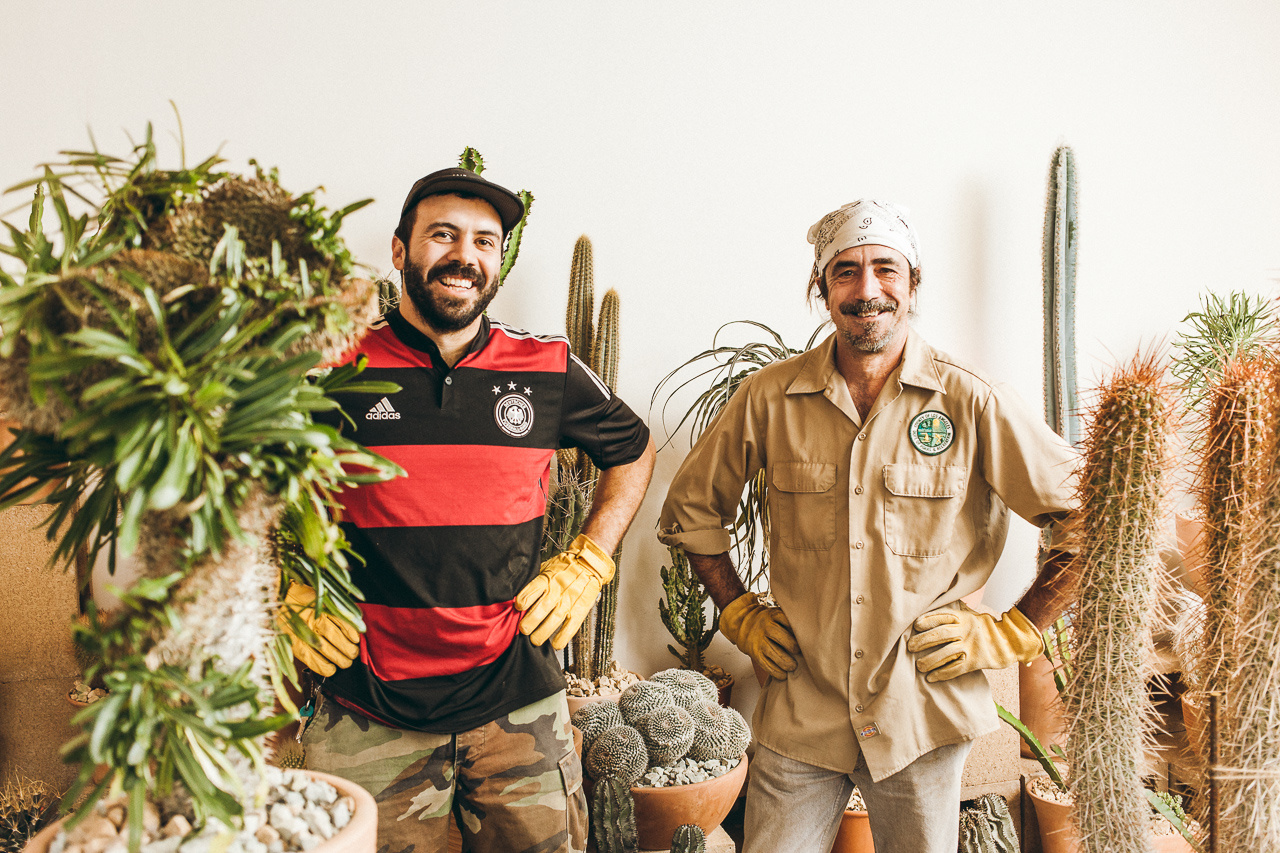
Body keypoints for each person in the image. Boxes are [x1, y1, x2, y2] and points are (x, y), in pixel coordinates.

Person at [657, 199, 1077, 853]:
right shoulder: (768, 398)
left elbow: (1088, 515)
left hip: (920, 711)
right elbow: (691, 511)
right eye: (846, 271)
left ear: (913, 283)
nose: (867, 289)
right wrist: (738, 612)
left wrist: (1017, 630)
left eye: (885, 268)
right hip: (803, 706)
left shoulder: (971, 400)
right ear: (821, 287)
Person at [283, 167, 656, 853]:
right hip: (367, 707)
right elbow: (256, 480)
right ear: (400, 250)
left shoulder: (547, 366)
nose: (465, 255)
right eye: (443, 235)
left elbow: (633, 450)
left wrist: (591, 558)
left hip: (518, 705)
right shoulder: (332, 368)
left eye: (485, 241)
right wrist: (290, 583)